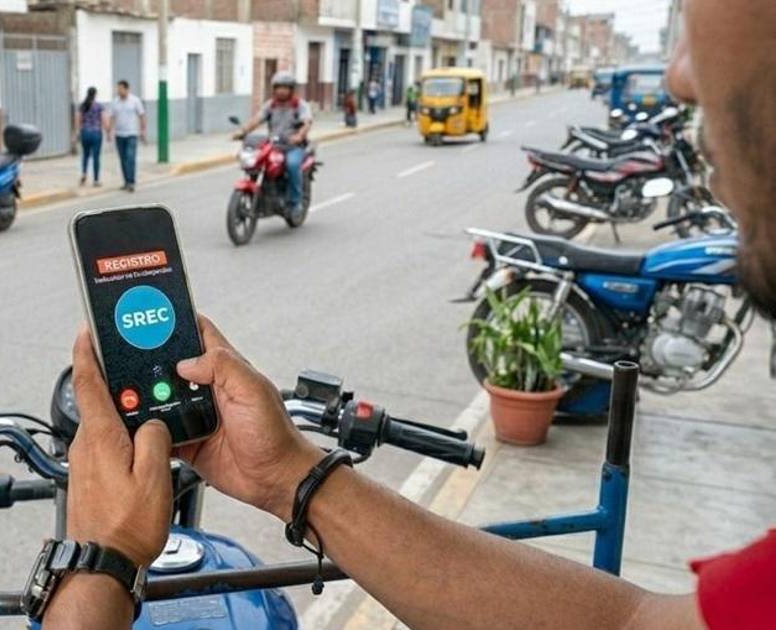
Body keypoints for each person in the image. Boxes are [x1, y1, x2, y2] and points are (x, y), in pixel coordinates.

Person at [44, 1, 776, 628]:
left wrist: (101, 561)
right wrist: (288, 474)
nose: (679, 74)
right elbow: (628, 621)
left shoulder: (301, 117)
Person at [231, 71, 312, 216]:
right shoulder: (270, 105)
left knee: (292, 165)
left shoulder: (300, 105)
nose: (281, 91)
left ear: (291, 89)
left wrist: (299, 136)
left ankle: (295, 203)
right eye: (278, 87)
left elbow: (306, 122)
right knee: (258, 163)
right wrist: (242, 131)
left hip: (293, 147)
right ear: (274, 89)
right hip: (274, 146)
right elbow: (257, 119)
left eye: (285, 87)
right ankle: (262, 194)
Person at [107, 80, 145, 192]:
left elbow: (142, 115)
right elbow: (112, 117)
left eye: (121, 89)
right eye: (118, 89)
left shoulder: (135, 101)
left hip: (132, 134)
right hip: (119, 134)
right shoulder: (115, 102)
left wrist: (143, 130)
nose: (119, 91)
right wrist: (109, 131)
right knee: (123, 159)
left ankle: (131, 182)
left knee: (130, 157)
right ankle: (126, 181)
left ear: (127, 89)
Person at [73, 87, 104, 187]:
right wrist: (106, 130)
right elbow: (103, 119)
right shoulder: (99, 106)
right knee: (96, 157)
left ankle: (84, 173)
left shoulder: (82, 105)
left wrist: (77, 132)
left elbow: (78, 119)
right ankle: (96, 180)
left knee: (85, 155)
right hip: (96, 133)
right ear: (96, 94)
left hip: (85, 132)